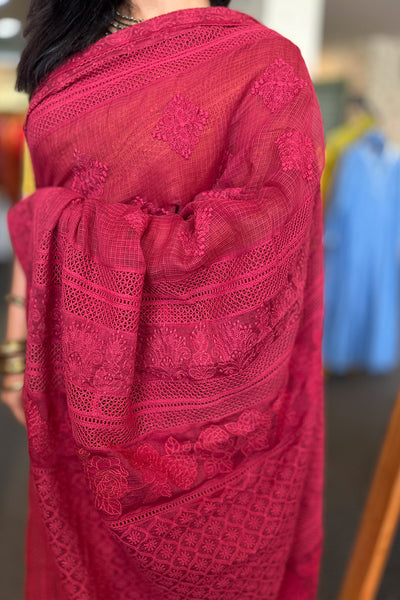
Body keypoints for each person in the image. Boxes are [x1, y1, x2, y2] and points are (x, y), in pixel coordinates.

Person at [1, 1, 326, 598]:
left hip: (208, 433)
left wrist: (53, 225)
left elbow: (258, 252)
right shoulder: (66, 46)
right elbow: (42, 195)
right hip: (71, 386)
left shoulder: (263, 66)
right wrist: (16, 338)